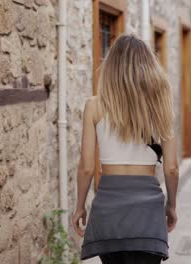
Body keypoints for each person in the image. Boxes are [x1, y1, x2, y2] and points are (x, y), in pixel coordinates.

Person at [71, 34, 179, 264]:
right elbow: (171, 168)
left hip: (108, 210)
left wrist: (80, 206)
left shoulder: (94, 106)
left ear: (111, 67)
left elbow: (86, 168)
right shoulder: (160, 103)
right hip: (148, 211)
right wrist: (171, 205)